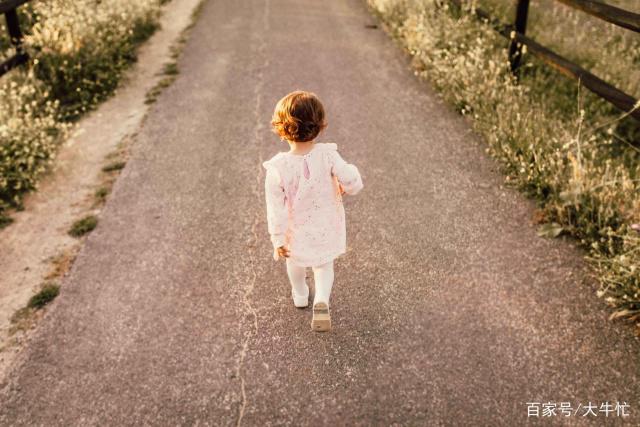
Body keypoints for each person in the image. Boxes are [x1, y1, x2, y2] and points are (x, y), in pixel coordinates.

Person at [263, 90, 363, 332]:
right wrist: (349, 184)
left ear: (280, 128)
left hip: (295, 230)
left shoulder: (277, 168)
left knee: (295, 262)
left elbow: (275, 208)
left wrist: (277, 239)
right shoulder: (328, 154)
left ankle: (299, 294)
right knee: (323, 264)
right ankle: (321, 300)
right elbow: (349, 177)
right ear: (319, 126)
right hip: (326, 224)